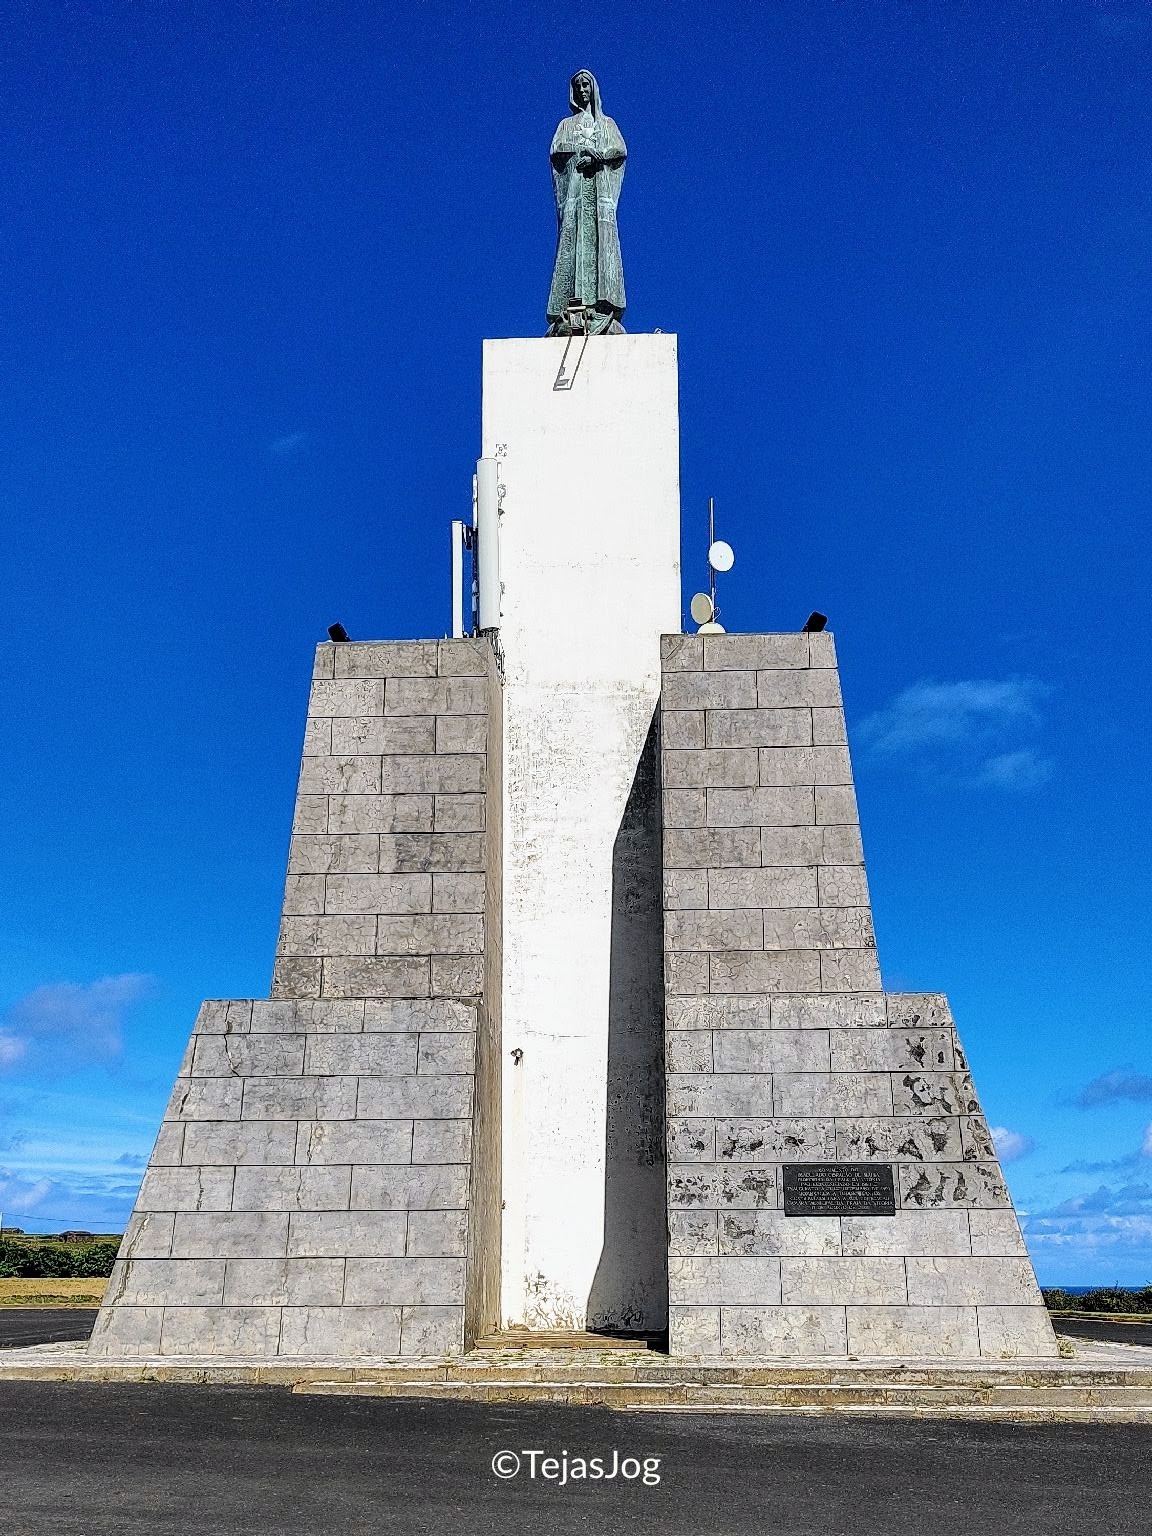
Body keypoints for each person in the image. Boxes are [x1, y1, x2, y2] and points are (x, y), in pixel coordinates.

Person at [546, 70, 627, 335]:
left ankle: (602, 307)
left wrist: (599, 157)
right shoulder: (565, 125)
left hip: (599, 193)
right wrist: (579, 155)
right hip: (577, 194)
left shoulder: (608, 124)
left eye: (586, 85)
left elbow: (620, 152)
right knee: (574, 240)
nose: (582, 90)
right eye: (578, 86)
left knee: (601, 242)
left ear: (594, 89)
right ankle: (569, 308)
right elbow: (557, 152)